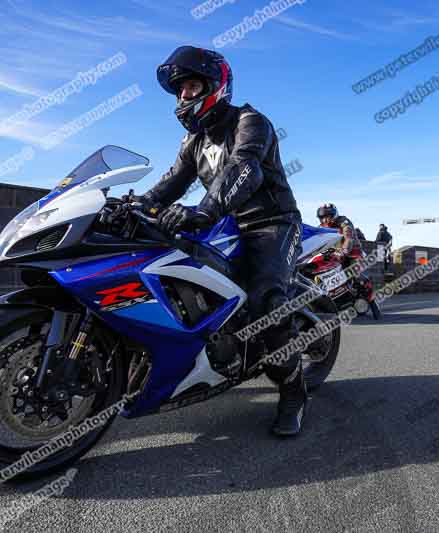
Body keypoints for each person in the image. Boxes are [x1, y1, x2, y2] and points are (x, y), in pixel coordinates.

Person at [133, 46, 307, 435]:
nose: (184, 96)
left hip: (272, 223)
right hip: (223, 224)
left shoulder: (250, 121)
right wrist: (134, 205)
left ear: (216, 86)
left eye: (192, 87)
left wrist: (203, 211)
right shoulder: (194, 141)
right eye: (180, 90)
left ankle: (294, 391)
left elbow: (243, 167)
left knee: (267, 303)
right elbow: (171, 183)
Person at [317, 204, 374, 302]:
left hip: (352, 252)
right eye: (322, 218)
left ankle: (368, 292)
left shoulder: (344, 222)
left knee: (355, 273)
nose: (325, 220)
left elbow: (348, 237)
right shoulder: (320, 227)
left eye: (328, 217)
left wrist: (344, 250)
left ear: (334, 215)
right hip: (334, 254)